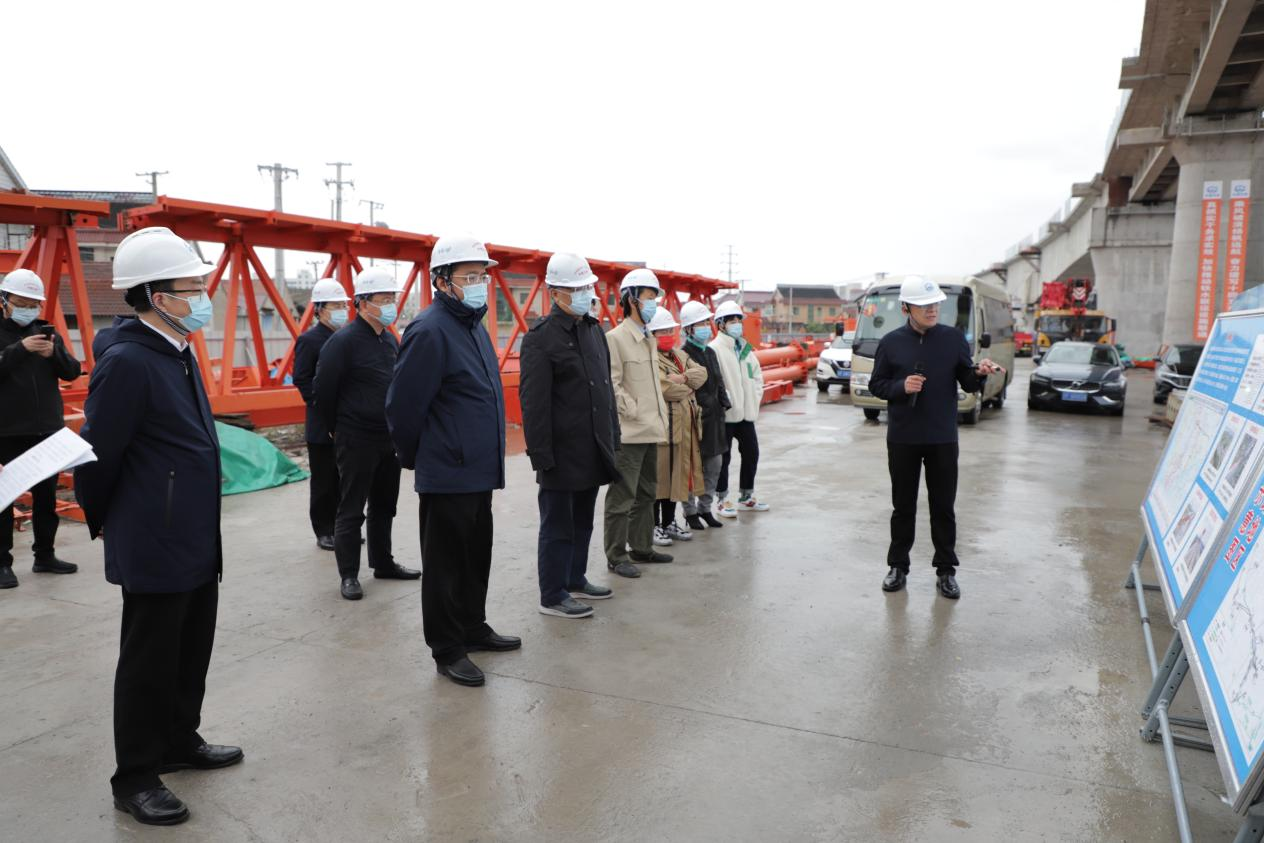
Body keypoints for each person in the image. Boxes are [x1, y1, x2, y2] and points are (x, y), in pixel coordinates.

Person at [74, 226, 242, 827]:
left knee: (190, 647)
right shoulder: (127, 362)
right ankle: (136, 776)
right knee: (148, 660)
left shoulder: (176, 349)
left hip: (192, 533)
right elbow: (98, 456)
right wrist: (107, 522)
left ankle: (178, 739)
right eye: (190, 288)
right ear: (154, 295)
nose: (201, 297)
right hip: (154, 536)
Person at [386, 236, 518, 688]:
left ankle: (472, 626)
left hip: (479, 469)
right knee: (444, 565)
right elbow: (403, 406)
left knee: (475, 556)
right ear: (442, 281)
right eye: (470, 276)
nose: (480, 283)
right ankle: (447, 648)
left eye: (483, 275)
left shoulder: (473, 325)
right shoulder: (430, 329)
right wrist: (421, 460)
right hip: (448, 470)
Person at [868, 275, 1005, 600]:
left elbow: (967, 381)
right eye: (924, 306)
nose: (932, 310)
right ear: (906, 308)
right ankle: (898, 566)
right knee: (903, 506)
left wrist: (978, 373)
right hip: (903, 437)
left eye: (935, 305)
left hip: (942, 437)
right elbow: (877, 385)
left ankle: (946, 571)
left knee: (943, 507)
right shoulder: (890, 343)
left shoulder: (953, 338)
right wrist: (901, 386)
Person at [520, 252, 620, 618]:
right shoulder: (540, 339)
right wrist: (541, 455)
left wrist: (613, 438)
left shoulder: (594, 331)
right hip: (561, 452)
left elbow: (605, 391)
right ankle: (552, 594)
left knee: (582, 521)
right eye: (576, 289)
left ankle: (575, 578)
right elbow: (534, 404)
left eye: (586, 287)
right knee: (557, 526)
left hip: (592, 447)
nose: (584, 294)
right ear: (555, 293)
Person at [314, 266, 419, 601]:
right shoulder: (342, 342)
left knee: (385, 505)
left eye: (392, 299)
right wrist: (335, 428)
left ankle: (383, 563)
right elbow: (323, 391)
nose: (390, 305)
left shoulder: (389, 339)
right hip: (355, 437)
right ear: (362, 303)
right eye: (383, 299)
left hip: (387, 437)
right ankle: (348, 575)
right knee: (352, 508)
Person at [0, 269, 81, 588]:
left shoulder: (47, 333)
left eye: (33, 304)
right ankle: (2, 564)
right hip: (6, 432)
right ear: (4, 300)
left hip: (46, 431)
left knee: (46, 498)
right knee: (4, 500)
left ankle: (45, 555)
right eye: (21, 303)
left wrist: (53, 353)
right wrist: (20, 349)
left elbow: (72, 371)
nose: (28, 310)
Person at [603, 268, 672, 578]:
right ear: (631, 299)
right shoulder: (615, 339)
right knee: (622, 497)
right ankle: (616, 555)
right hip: (629, 433)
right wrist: (633, 411)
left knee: (646, 493)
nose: (653, 303)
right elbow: (612, 383)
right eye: (649, 297)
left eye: (655, 297)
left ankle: (641, 548)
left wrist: (655, 417)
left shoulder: (647, 338)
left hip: (651, 429)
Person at [292, 278, 351, 551]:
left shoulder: (345, 338)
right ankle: (324, 530)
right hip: (321, 424)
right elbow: (302, 378)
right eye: (335, 306)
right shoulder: (309, 340)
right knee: (324, 481)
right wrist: (322, 407)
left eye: (343, 305)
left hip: (347, 421)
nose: (341, 310)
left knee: (343, 480)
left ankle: (342, 528)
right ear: (319, 309)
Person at [646, 307, 707, 546]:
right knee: (659, 479)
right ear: (651, 334)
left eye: (670, 330)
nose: (668, 335)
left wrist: (683, 379)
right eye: (662, 331)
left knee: (676, 479)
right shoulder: (649, 357)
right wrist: (688, 386)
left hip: (683, 428)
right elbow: (666, 389)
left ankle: (669, 522)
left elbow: (702, 374)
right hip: (662, 428)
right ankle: (653, 525)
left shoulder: (679, 355)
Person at [709, 300, 770, 517]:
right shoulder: (715, 349)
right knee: (723, 459)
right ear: (721, 324)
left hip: (746, 414)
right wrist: (724, 402)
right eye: (731, 320)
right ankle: (722, 499)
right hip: (726, 415)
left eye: (738, 320)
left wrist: (754, 398)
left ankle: (746, 496)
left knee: (752, 453)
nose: (737, 324)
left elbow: (757, 377)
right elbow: (713, 382)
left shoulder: (745, 349)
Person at [678, 301, 730, 531]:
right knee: (691, 470)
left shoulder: (710, 352)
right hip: (694, 419)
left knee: (714, 466)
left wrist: (723, 403)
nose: (706, 328)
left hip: (715, 419)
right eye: (700, 324)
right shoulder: (682, 354)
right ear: (689, 329)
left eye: (706, 323)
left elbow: (718, 381)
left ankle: (705, 508)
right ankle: (689, 512)